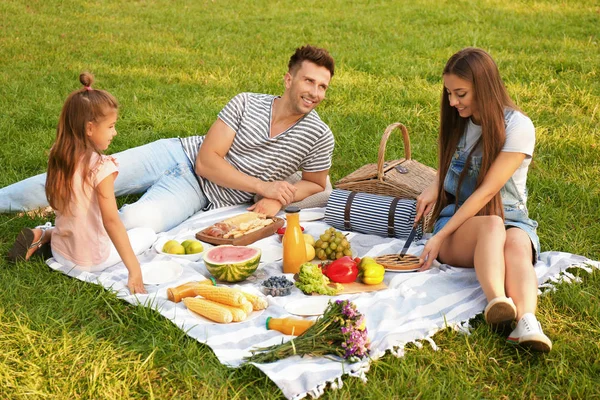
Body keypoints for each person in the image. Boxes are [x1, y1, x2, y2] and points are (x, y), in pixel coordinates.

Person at [0, 45, 336, 234]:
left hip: (196, 192)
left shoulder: (319, 135)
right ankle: (12, 200)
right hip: (176, 154)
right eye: (309, 82)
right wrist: (264, 188)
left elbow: (316, 184)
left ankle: (51, 230)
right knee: (74, 175)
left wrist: (279, 199)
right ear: (288, 79)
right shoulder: (246, 101)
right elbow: (206, 161)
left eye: (323, 86)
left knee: (134, 221)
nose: (315, 93)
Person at [415, 47, 552, 352]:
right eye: (449, 93)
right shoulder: (459, 119)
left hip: (511, 217)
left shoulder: (518, 127)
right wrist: (436, 185)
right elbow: (453, 160)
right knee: (491, 225)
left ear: (484, 86)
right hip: (461, 220)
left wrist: (439, 239)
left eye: (460, 93)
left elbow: (489, 190)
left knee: (516, 244)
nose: (452, 102)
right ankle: (498, 304)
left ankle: (527, 322)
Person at [8, 73, 156, 294]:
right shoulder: (101, 168)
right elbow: (112, 222)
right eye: (111, 126)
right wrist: (134, 270)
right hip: (92, 261)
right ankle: (45, 233)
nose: (115, 132)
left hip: (61, 252)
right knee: (147, 233)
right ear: (89, 128)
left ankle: (46, 234)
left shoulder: (57, 156)